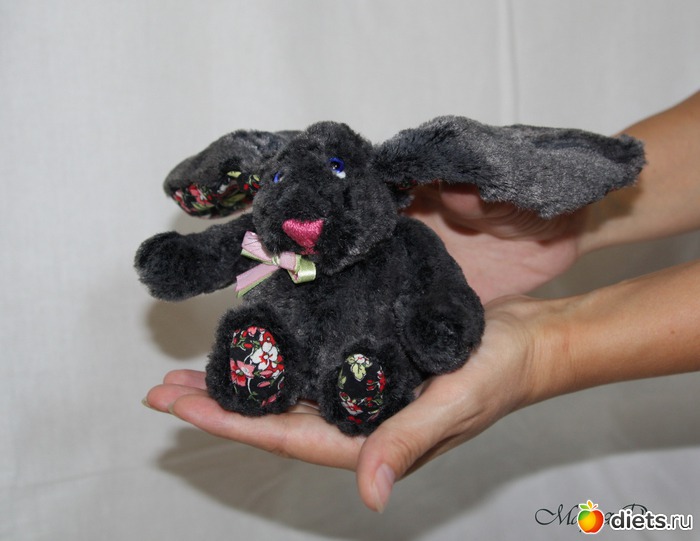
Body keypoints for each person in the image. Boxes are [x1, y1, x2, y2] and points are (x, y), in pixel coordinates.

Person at [144, 91, 700, 513]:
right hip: (285, 330)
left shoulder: (407, 238)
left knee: (371, 357)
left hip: (366, 345)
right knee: (262, 321)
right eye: (282, 178)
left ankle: (362, 383)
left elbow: (439, 288)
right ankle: (263, 361)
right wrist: (180, 261)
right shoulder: (262, 241)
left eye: (336, 174)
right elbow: (208, 255)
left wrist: (470, 331)